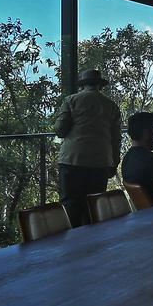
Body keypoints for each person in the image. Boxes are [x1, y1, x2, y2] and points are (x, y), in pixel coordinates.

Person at [54, 69, 122, 226]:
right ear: (100, 86)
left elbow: (59, 130)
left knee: (70, 203)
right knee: (94, 204)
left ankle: (70, 242)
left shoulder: (71, 100)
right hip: (100, 161)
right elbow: (116, 138)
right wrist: (114, 162)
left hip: (72, 159)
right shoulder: (112, 106)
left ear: (82, 85)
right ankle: (92, 243)